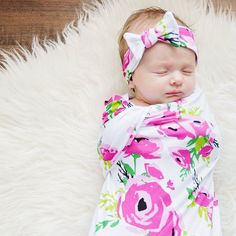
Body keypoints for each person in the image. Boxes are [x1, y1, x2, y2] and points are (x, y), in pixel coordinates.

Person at [89, 7, 222, 236]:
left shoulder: (193, 105)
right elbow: (107, 151)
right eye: (163, 72)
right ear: (131, 79)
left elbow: (210, 138)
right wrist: (140, 116)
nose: (178, 79)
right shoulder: (122, 112)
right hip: (133, 212)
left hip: (186, 216)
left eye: (187, 70)